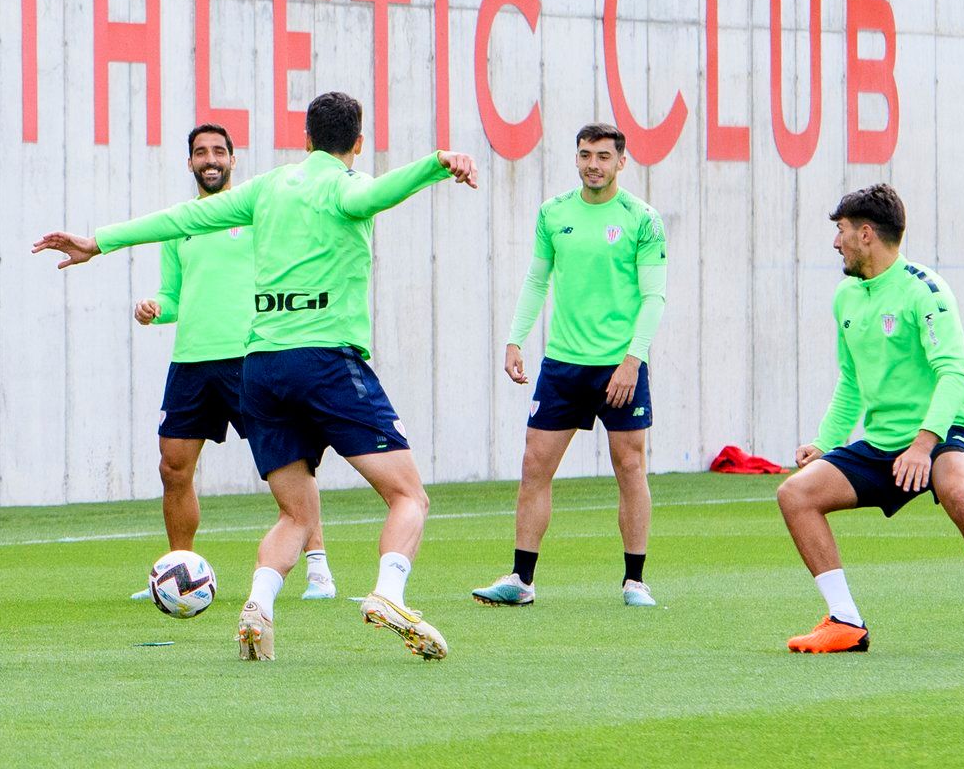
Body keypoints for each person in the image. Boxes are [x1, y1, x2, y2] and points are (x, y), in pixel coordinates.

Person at [36, 92, 477, 662]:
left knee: (294, 511)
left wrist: (100, 241)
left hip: (261, 366)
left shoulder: (268, 188)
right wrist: (437, 162)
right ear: (357, 144)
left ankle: (258, 607)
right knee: (408, 494)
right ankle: (389, 594)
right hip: (321, 359)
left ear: (306, 138)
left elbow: (184, 217)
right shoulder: (344, 185)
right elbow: (377, 192)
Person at [775, 184, 964, 657]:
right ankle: (846, 623)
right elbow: (851, 381)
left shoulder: (925, 290)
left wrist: (923, 444)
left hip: (946, 432)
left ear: (867, 234)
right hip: (884, 443)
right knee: (796, 494)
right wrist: (825, 441)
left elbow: (954, 374)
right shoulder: (846, 297)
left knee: (957, 488)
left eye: (842, 231)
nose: (837, 242)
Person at [130, 123, 335, 602]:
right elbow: (173, 294)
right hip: (192, 363)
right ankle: (179, 570)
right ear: (189, 163)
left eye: (219, 151)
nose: (210, 159)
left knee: (291, 463)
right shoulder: (180, 225)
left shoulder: (256, 212)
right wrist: (157, 307)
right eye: (200, 152)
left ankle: (319, 569)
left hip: (250, 358)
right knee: (173, 468)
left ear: (232, 159)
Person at [475, 123, 667, 609]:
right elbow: (537, 281)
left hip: (619, 367)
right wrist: (515, 340)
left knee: (630, 466)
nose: (593, 164)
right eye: (585, 154)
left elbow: (654, 296)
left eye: (604, 156)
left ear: (621, 162)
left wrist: (633, 359)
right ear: (576, 157)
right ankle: (521, 580)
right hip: (562, 365)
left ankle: (635, 580)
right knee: (533, 465)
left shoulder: (641, 219)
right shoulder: (553, 212)